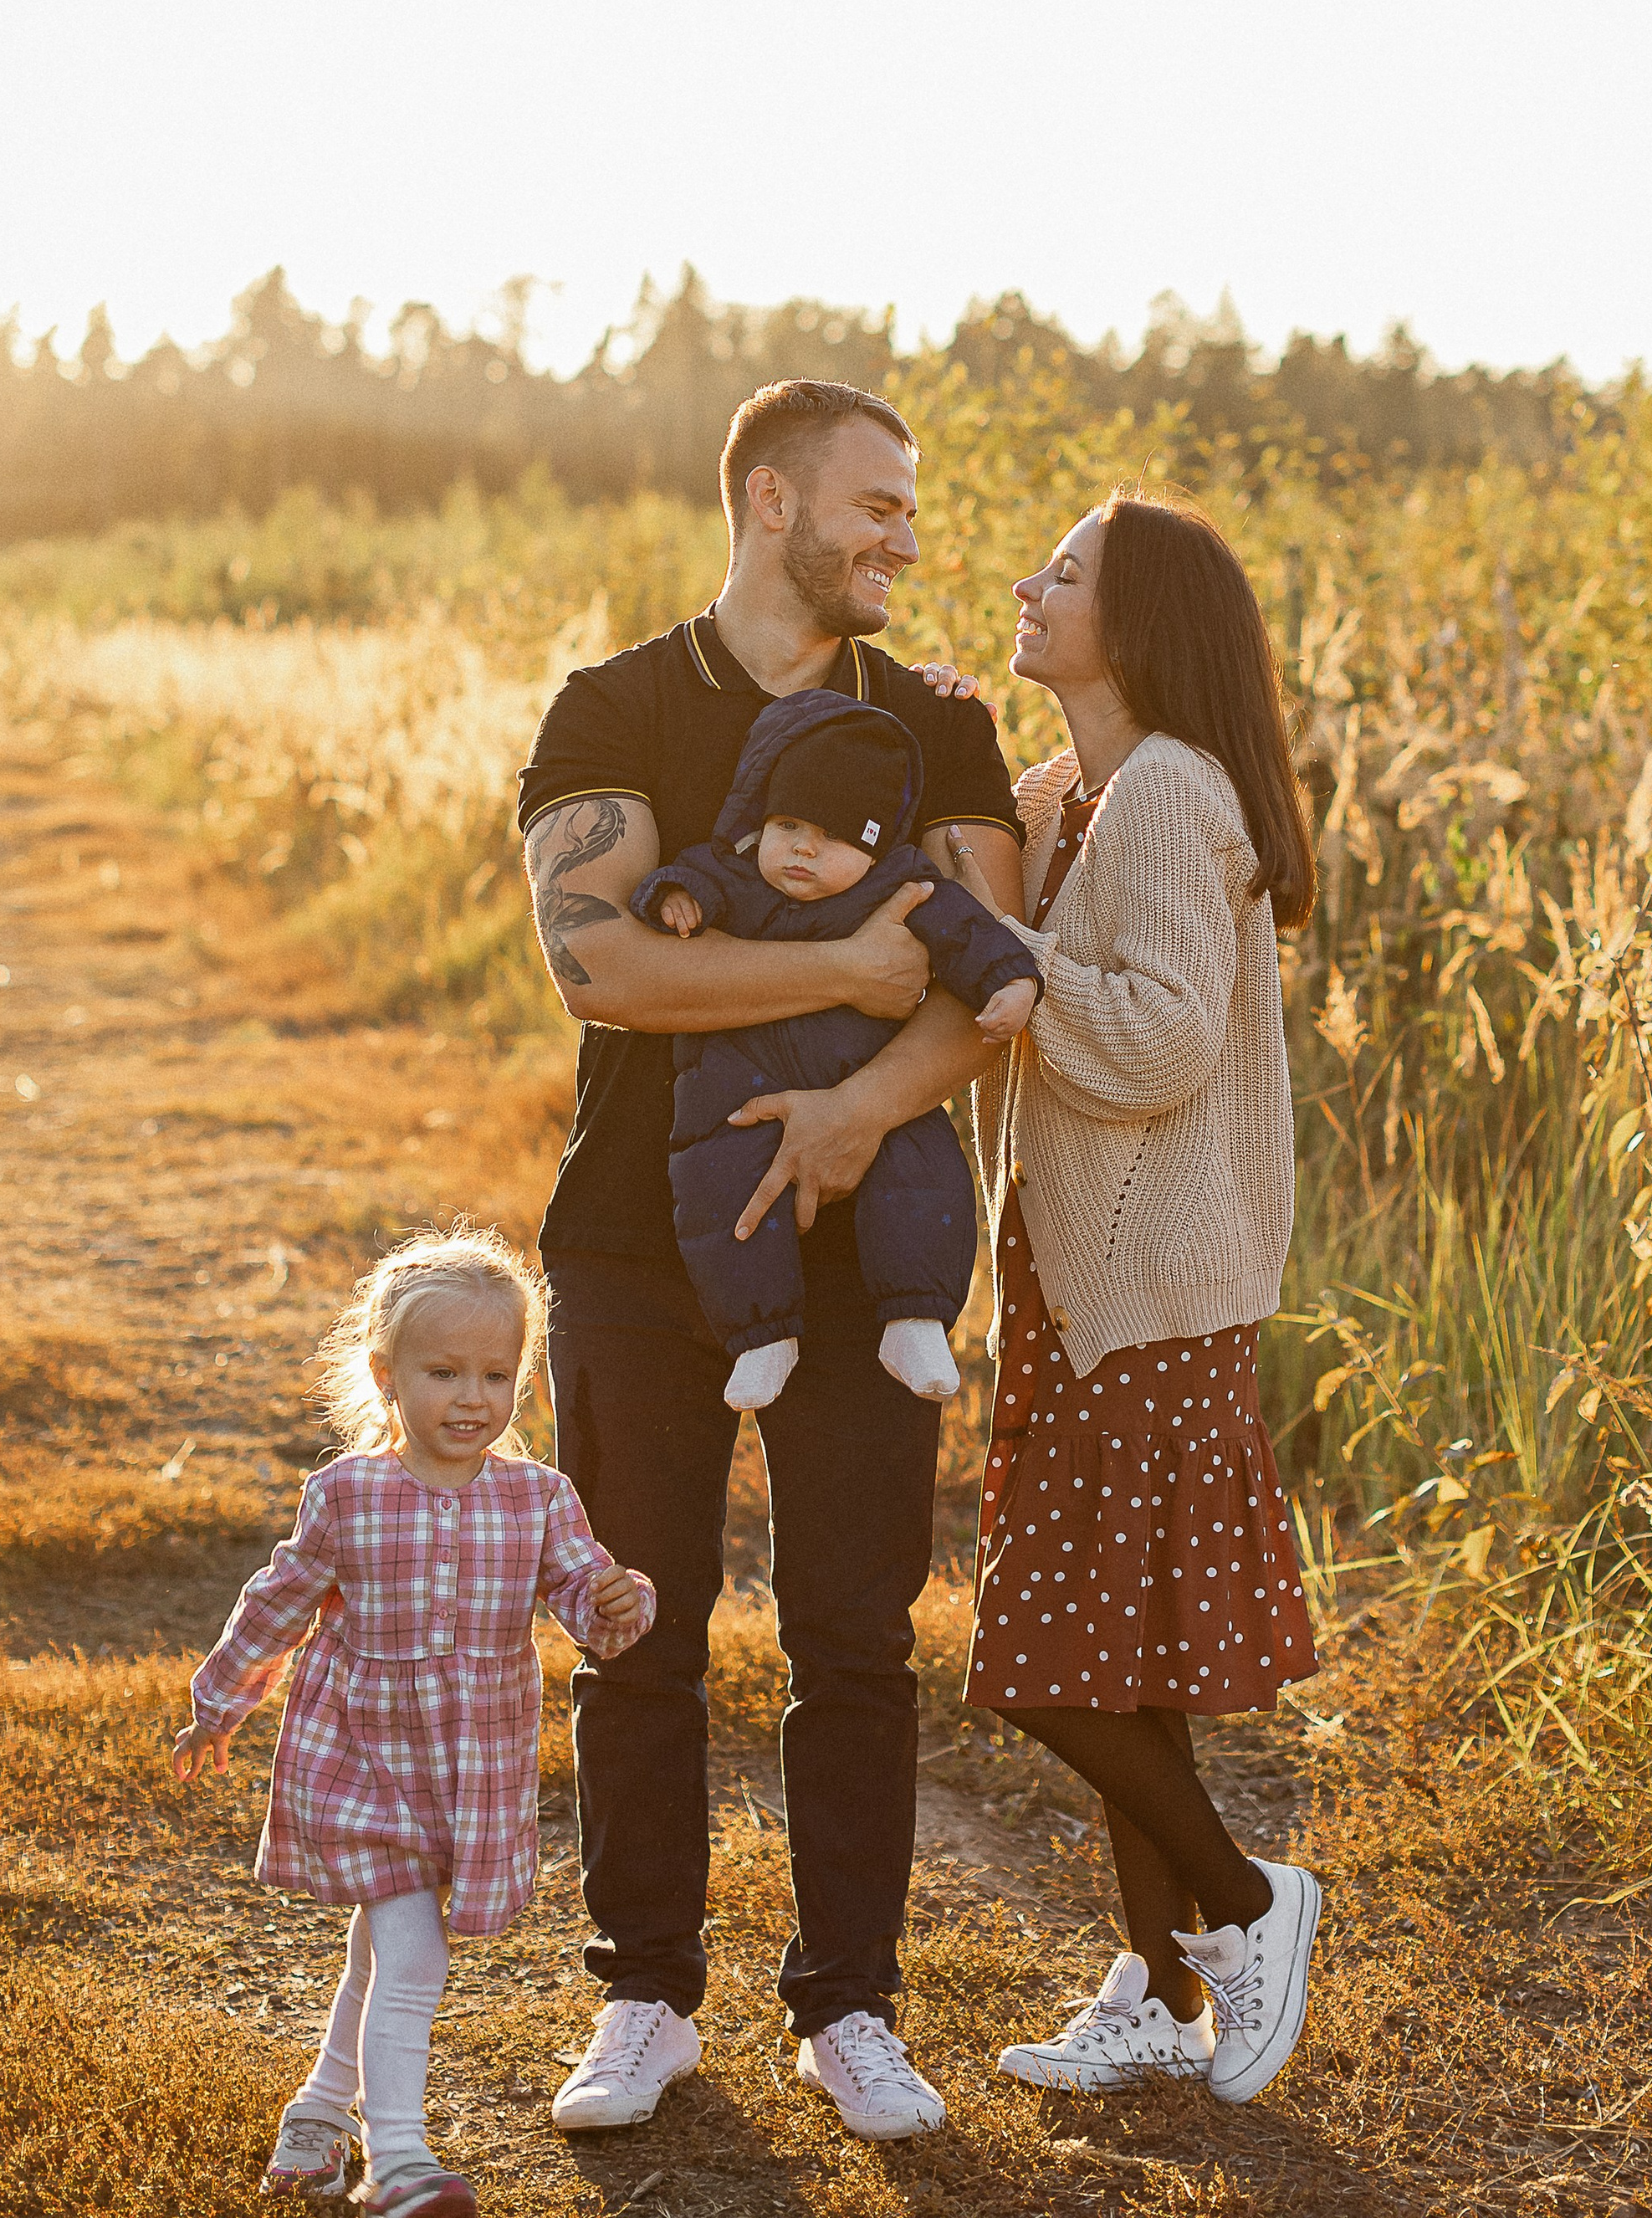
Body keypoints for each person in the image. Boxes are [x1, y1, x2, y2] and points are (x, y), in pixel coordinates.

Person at [516, 378, 1025, 2143]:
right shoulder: (616, 707)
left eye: (908, 509)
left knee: (855, 1638)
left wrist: (841, 1117)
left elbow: (985, 986)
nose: (902, 536)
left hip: (863, 1248)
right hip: (632, 1247)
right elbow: (603, 972)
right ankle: (646, 1995)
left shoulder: (939, 725)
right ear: (766, 500)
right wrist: (844, 977)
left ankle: (849, 2008)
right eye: (874, 504)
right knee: (636, 1627)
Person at [948, 494, 1324, 2108]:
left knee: (1043, 1659)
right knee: (1121, 1650)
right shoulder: (1081, 792)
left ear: (1142, 623)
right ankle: (1159, 1988)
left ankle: (1250, 1906)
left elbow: (1165, 1036)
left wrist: (1008, 961)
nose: (1029, 586)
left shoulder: (1171, 790)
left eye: (1066, 574)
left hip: (1152, 1282)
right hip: (1083, 1273)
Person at [172, 1232, 654, 2215]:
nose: (472, 1398)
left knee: (383, 1942)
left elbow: (582, 1597)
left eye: (495, 1373)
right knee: (415, 1953)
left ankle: (317, 2110)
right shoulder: (348, 1495)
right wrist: (216, 1706)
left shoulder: (537, 1497)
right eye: (444, 1373)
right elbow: (279, 1603)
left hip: (467, 1772)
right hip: (361, 1759)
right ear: (387, 1376)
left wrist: (617, 1601)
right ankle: (398, 2165)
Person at [632, 688, 1040, 1411]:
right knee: (719, 1188)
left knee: (921, 1173)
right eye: (788, 825)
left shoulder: (906, 886)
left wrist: (1012, 983)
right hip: (736, 1090)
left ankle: (914, 1318)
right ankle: (761, 1335)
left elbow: (974, 934)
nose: (803, 850)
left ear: (877, 847)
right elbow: (681, 874)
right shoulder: (734, 871)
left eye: (834, 837)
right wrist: (674, 897)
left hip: (869, 1077)